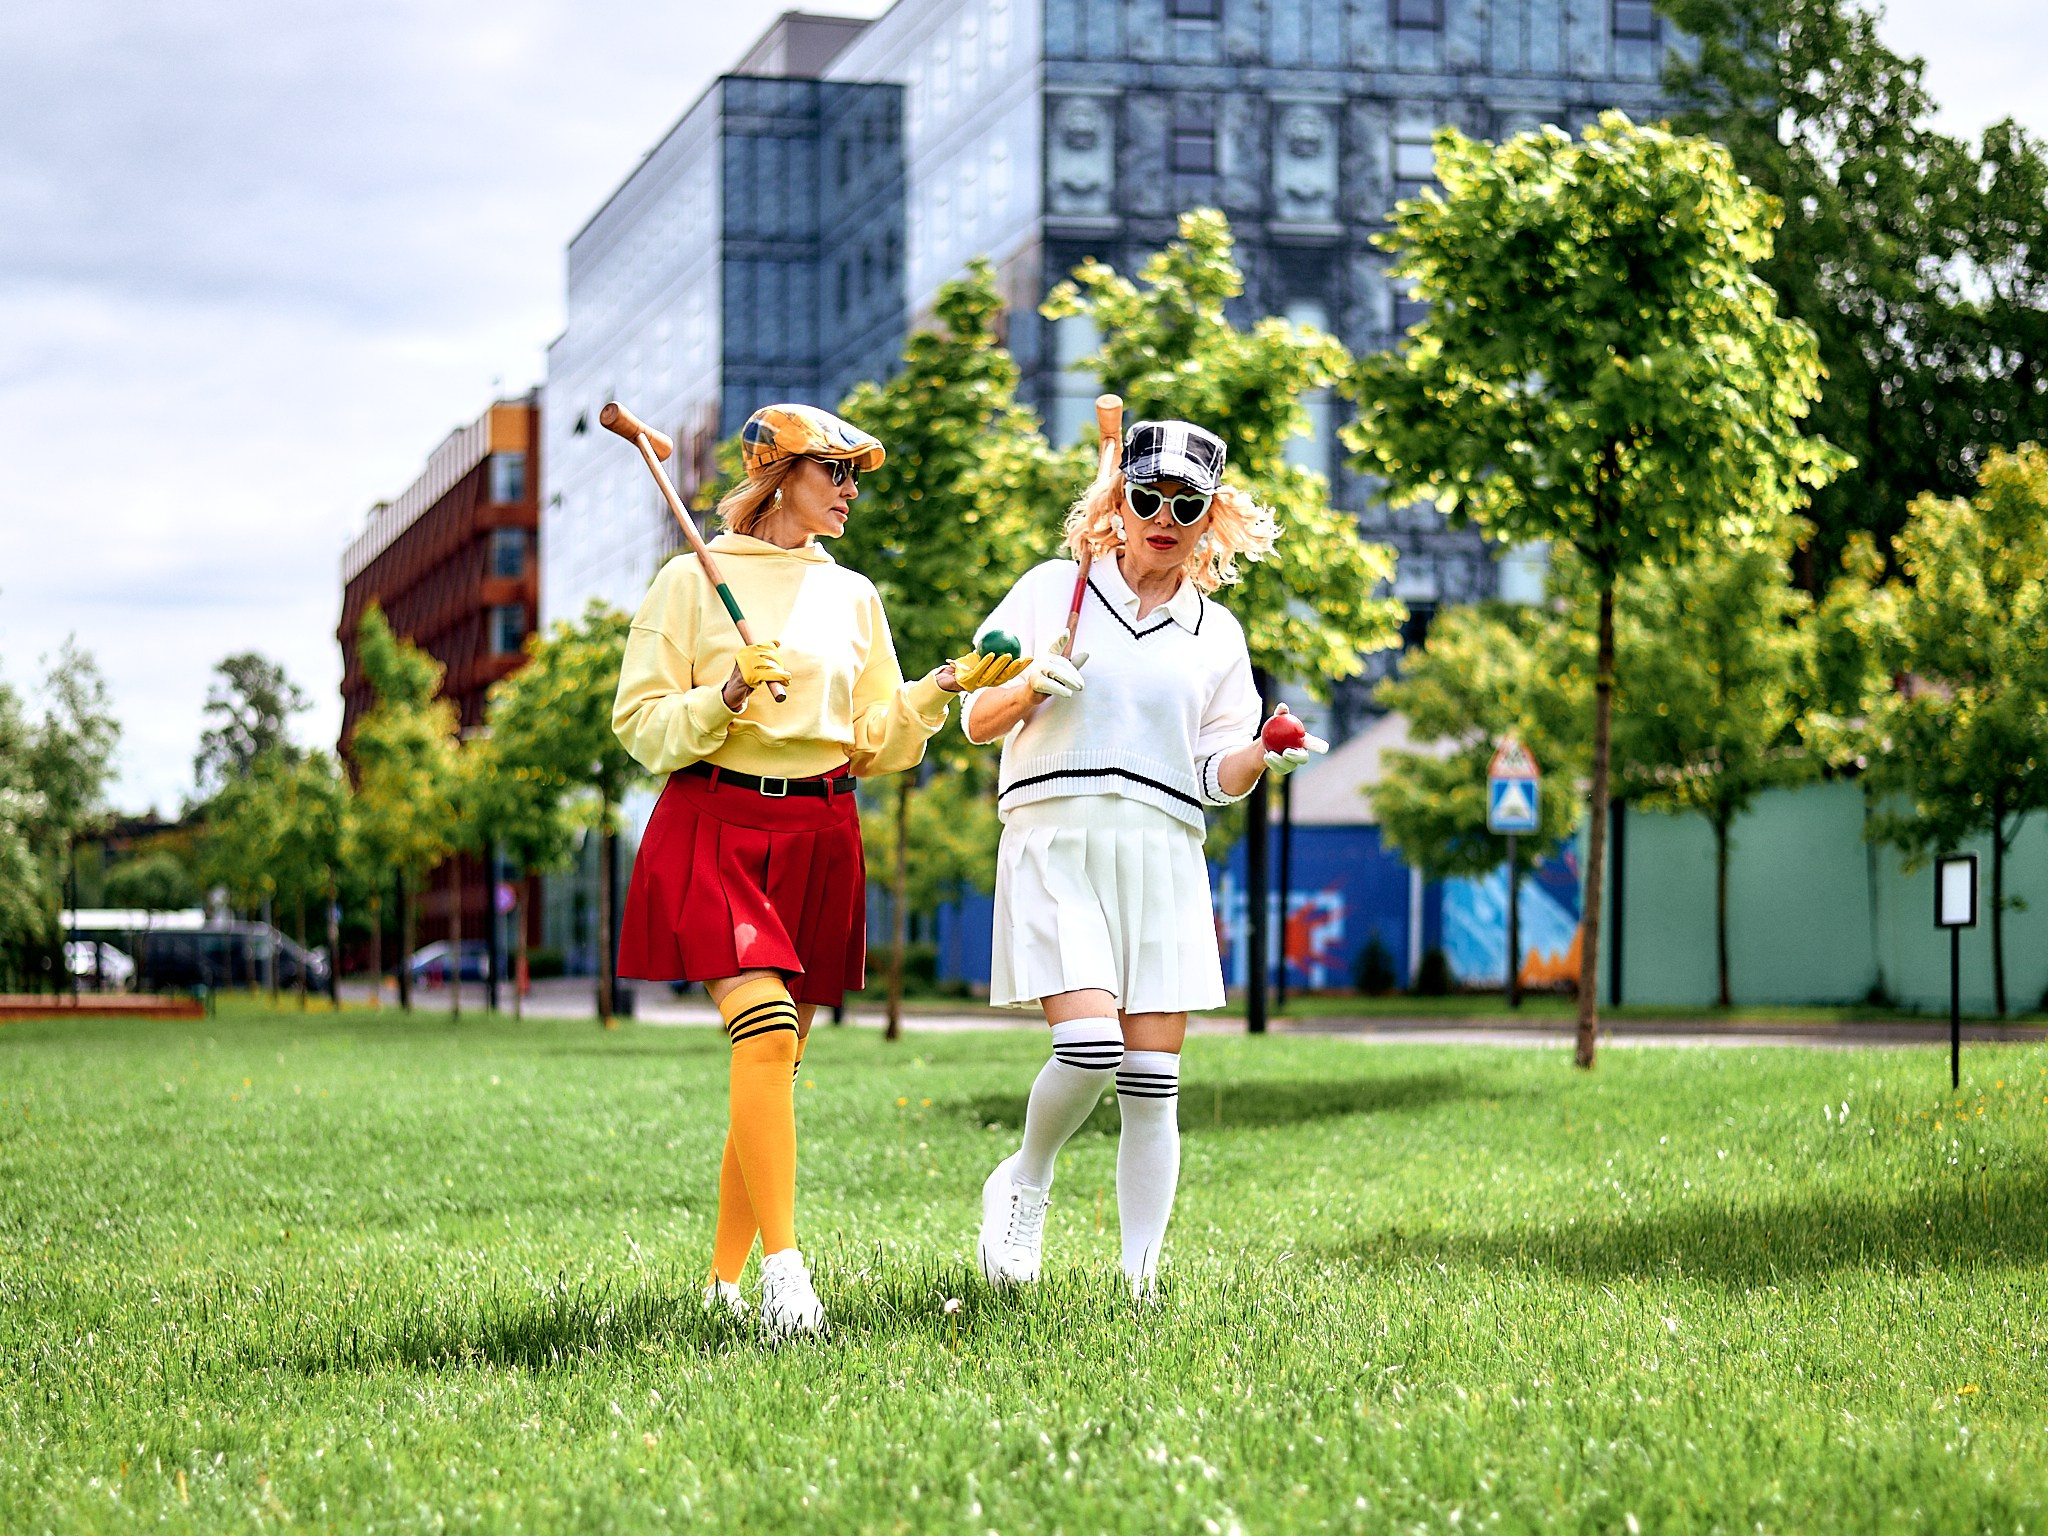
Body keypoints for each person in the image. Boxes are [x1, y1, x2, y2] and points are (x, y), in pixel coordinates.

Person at [612, 402, 1025, 1339]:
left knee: (775, 1062)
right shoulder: (690, 579)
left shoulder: (854, 595)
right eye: (832, 471)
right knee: (763, 1035)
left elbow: (871, 741)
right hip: (715, 822)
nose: (848, 491)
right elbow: (641, 725)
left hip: (823, 828)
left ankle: (721, 1286)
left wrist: (942, 685)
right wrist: (723, 694)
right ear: (777, 475)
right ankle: (786, 1279)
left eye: (853, 476)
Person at [962, 419, 1324, 1297]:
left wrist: (1261, 755)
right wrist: (1029, 684)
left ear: (1212, 517)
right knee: (1090, 1046)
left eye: (1185, 504)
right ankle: (1025, 1178)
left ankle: (1141, 1286)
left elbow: (1212, 773)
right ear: (1117, 501)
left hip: (1163, 852)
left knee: (1154, 1081)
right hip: (1057, 837)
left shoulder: (1217, 634)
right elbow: (973, 717)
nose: (1164, 516)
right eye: (1147, 495)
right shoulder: (1052, 591)